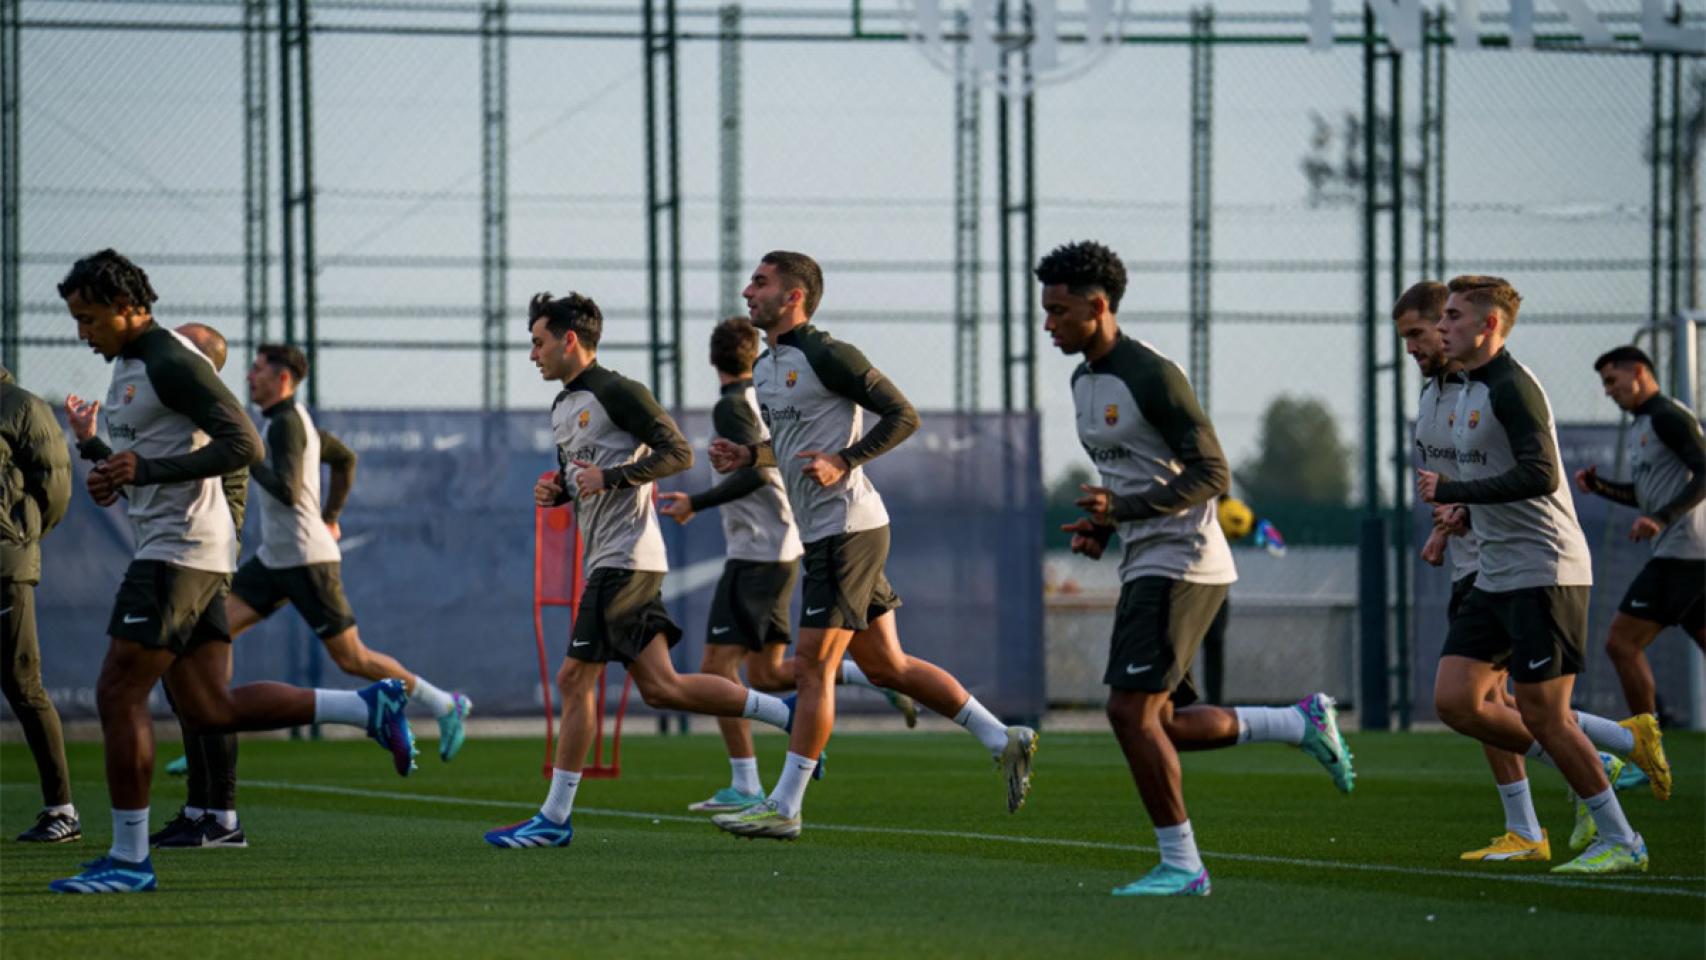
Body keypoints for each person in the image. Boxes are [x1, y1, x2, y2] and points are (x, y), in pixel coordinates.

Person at [52, 249, 416, 894]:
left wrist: (144, 470)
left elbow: (242, 444)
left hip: (179, 552)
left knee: (117, 694)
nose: (83, 332)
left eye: (89, 318)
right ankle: (365, 707)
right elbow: (152, 462)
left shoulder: (167, 358)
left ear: (127, 307)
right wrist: (102, 458)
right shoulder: (135, 365)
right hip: (184, 550)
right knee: (208, 707)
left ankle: (130, 859)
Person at [1037, 240, 1353, 897]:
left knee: (1129, 714)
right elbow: (1134, 474)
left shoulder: (1152, 374)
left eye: (1060, 311)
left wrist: (1123, 507)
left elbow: (1213, 474)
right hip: (1146, 559)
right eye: (1045, 310)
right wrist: (1105, 524)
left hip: (1182, 561)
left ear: (1099, 308)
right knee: (1166, 723)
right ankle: (1298, 723)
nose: (1048, 324)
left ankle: (1184, 866)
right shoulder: (1082, 380)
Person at [707, 251, 1037, 842]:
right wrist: (749, 455)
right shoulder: (765, 367)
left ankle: (785, 806)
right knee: (888, 666)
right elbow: (791, 446)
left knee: (812, 667)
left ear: (795, 297)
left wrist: (845, 460)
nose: (747, 291)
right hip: (826, 534)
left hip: (848, 529)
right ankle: (1001, 737)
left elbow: (903, 416)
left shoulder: (828, 354)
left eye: (761, 282)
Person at [484, 292, 800, 848]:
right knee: (661, 687)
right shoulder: (563, 406)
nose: (532, 354)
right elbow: (581, 475)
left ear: (569, 340)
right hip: (616, 558)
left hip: (626, 559)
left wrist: (610, 480)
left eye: (538, 342)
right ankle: (785, 712)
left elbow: (677, 453)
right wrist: (558, 489)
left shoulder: (617, 391)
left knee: (574, 679)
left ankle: (555, 820)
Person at [65, 324, 369, 849]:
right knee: (200, 700)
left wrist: (325, 513)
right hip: (196, 558)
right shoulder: (182, 415)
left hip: (200, 561)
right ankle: (209, 813)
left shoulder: (229, 425)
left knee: (174, 695)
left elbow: (216, 484)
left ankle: (212, 814)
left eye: (182, 345)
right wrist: (96, 447)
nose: (168, 351)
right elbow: (147, 479)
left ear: (198, 363)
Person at [1418, 274, 1662, 876]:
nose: (1441, 325)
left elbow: (1540, 474)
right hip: (1496, 570)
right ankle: (1606, 751)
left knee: (1544, 715)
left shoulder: (1511, 386)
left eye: (1452, 316)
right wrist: (1459, 511)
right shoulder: (1465, 387)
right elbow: (1493, 476)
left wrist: (1457, 490)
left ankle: (1622, 839)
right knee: (1455, 701)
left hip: (1544, 567)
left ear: (1488, 325)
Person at [659, 316, 917, 813]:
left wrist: (699, 501)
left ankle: (752, 780)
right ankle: (851, 688)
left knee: (721, 668)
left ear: (713, 360)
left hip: (760, 550)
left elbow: (756, 475)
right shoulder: (766, 393)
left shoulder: (735, 405)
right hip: (780, 545)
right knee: (770, 668)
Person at [1574, 345, 1704, 719]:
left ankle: (1646, 749)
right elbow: (1647, 495)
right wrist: (1601, 488)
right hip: (1683, 550)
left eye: (1613, 380)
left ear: (1640, 373)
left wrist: (1662, 519)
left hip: (1684, 551)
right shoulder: (1643, 424)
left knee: (1621, 643)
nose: (1608, 390)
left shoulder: (1666, 416)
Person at [1, 365, 78, 843]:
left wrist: (17, 537)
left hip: (4, 565)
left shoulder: (21, 405)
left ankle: (62, 810)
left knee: (22, 683)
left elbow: (56, 488)